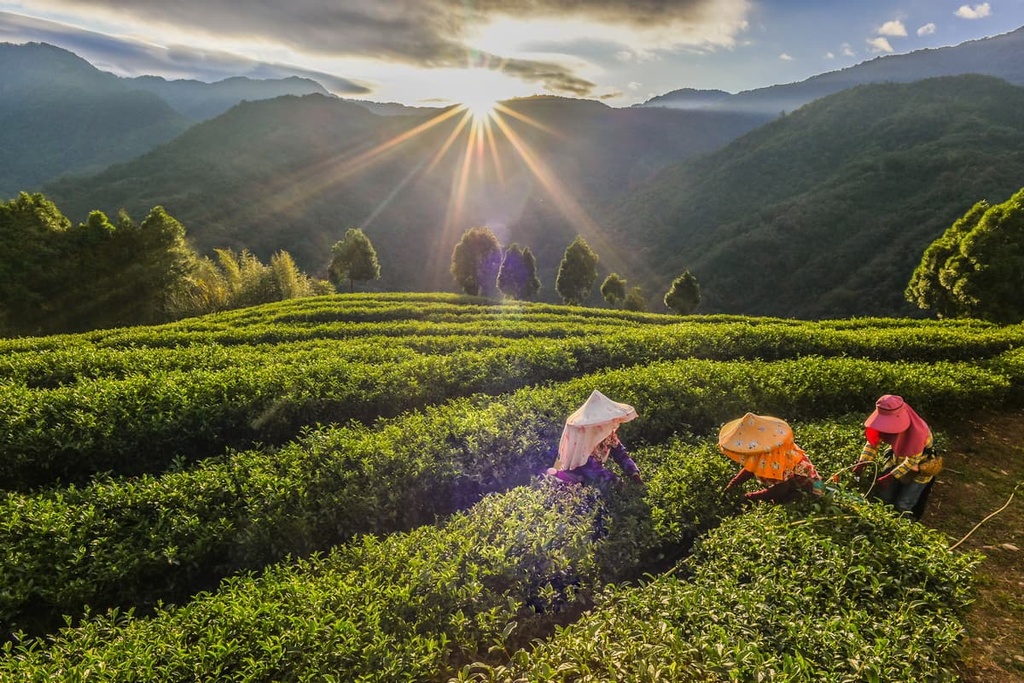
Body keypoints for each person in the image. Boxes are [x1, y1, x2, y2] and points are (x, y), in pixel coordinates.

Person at [852, 394, 940, 519]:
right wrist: (863, 462)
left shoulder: (918, 432)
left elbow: (912, 461)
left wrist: (889, 478)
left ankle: (904, 527)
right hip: (897, 461)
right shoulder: (883, 422)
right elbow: (873, 443)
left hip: (920, 466)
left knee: (903, 505)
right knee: (883, 498)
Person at [547, 389, 643, 486]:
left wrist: (633, 472)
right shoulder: (584, 437)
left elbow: (620, 453)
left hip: (591, 476)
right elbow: (592, 469)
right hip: (573, 478)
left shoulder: (608, 434)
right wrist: (616, 481)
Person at [720, 412, 822, 503]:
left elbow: (780, 490)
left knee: (782, 499)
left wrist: (748, 497)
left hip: (811, 490)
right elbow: (751, 468)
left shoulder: (773, 458)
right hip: (798, 485)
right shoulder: (767, 449)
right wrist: (733, 485)